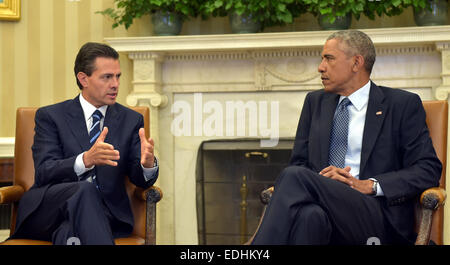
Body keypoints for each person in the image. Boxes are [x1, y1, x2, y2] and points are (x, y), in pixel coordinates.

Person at [251, 30, 441, 245]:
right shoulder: (315, 103)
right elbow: (300, 163)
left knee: (293, 176)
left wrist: (369, 185)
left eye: (329, 58)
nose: (320, 67)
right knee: (309, 217)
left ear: (356, 62)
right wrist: (323, 181)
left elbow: (428, 169)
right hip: (324, 211)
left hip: (375, 216)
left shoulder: (401, 105)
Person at [10, 42, 159, 245]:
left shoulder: (130, 120)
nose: (115, 84)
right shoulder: (51, 116)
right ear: (83, 79)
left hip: (105, 215)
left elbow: (140, 179)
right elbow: (45, 171)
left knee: (69, 235)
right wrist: (86, 160)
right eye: (107, 77)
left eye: (118, 76)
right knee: (84, 190)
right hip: (49, 210)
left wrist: (147, 165)